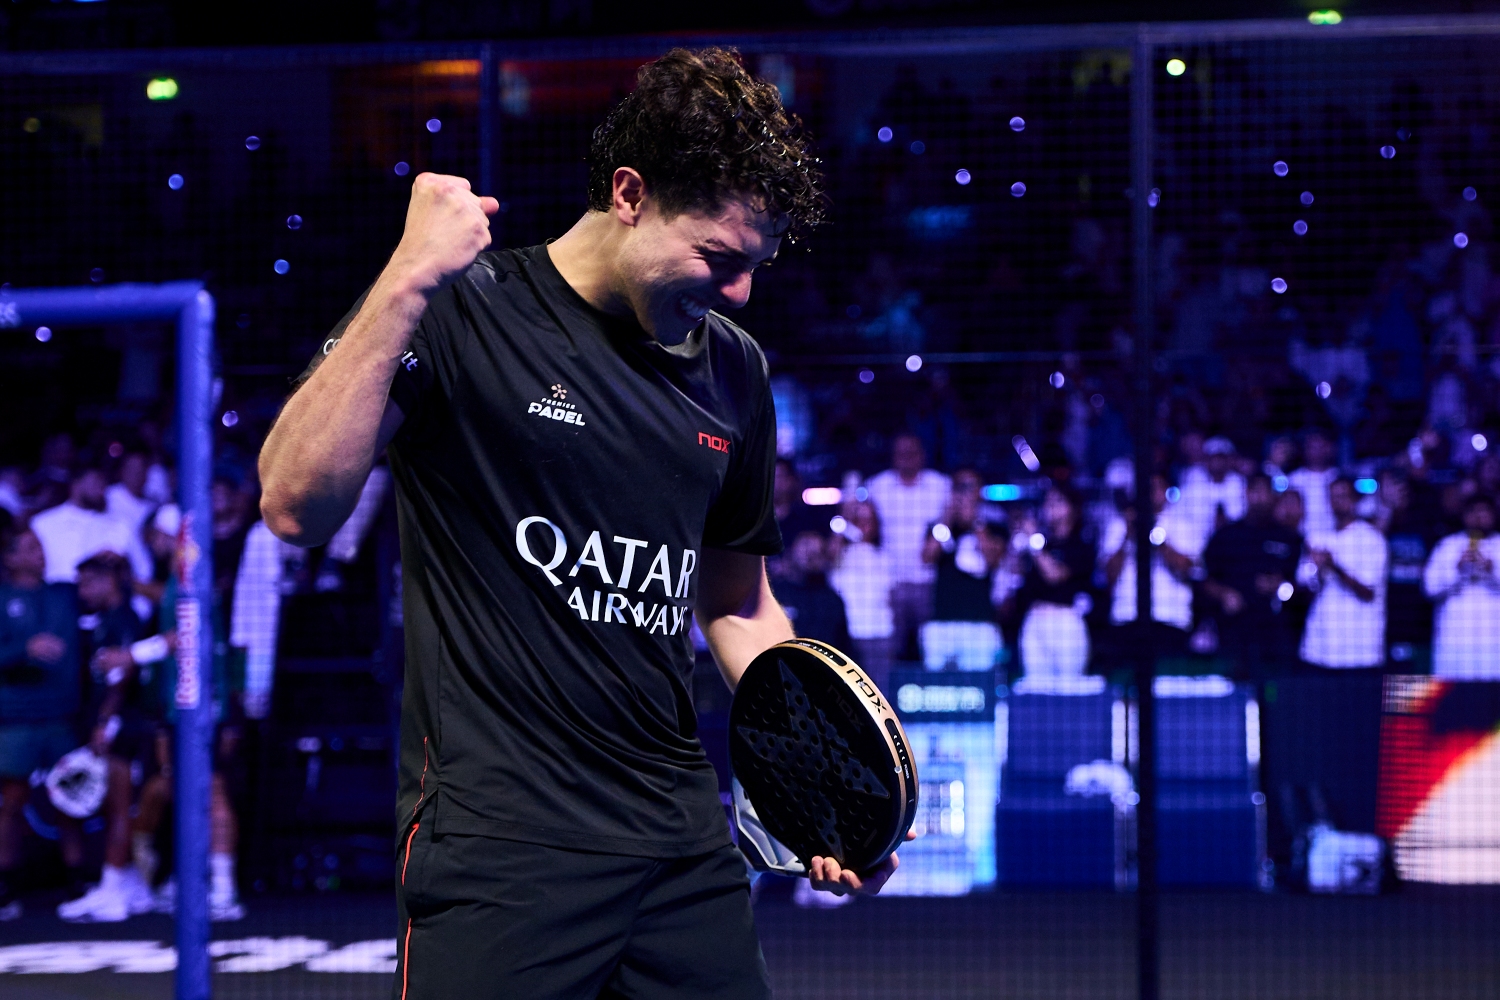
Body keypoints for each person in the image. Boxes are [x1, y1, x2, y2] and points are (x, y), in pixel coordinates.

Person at [258, 48, 902, 1000]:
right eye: (720, 259)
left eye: (755, 267)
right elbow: (293, 503)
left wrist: (820, 782)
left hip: (681, 846)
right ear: (630, 194)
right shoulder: (459, 309)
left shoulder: (735, 370)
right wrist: (404, 279)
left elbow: (736, 602)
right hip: (501, 843)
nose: (739, 293)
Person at [55, 553, 156, 923]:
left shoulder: (123, 619)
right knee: (113, 805)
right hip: (110, 724)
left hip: (123, 727)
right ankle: (131, 884)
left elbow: (123, 678)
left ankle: (113, 891)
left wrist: (105, 722)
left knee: (119, 808)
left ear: (109, 581)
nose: (82, 592)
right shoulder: (103, 621)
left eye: (87, 583)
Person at [0, 528, 82, 920]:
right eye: (29, 547)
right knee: (12, 800)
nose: (39, 553)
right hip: (16, 718)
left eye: (41, 546)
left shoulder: (64, 595)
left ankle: (78, 880)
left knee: (71, 797)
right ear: (10, 558)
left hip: (61, 717)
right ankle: (6, 884)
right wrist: (24, 650)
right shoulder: (2, 598)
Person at [1202, 474, 1303, 678]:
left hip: (1276, 630)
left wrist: (1281, 586)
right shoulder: (1227, 535)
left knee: (1276, 686)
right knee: (1235, 685)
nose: (1260, 498)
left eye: (1265, 492)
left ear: (1273, 496)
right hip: (1235, 629)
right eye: (1255, 491)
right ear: (1246, 494)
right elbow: (1204, 579)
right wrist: (1224, 594)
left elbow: (1300, 585)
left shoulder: (1289, 537)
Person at [866, 434, 951, 660]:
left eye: (911, 452)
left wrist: (938, 537)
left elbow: (951, 517)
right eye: (901, 453)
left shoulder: (940, 485)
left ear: (922, 455)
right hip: (891, 581)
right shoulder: (877, 486)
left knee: (930, 649)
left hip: (929, 579)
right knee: (893, 649)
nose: (906, 457)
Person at [1100, 474, 1198, 663]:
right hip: (1126, 617)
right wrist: (1127, 535)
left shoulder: (1182, 524)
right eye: (1146, 487)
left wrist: (1156, 536)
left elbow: (1187, 569)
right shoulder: (1118, 525)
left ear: (1166, 490)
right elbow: (1108, 577)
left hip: (1170, 618)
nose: (1151, 493)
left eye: (1156, 487)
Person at [919, 469, 1005, 673]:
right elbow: (927, 557)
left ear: (980, 492)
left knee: (981, 684)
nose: (964, 494)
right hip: (942, 623)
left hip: (980, 623)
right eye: (960, 488)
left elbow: (993, 559)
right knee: (935, 685)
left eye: (970, 487)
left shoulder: (995, 526)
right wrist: (946, 519)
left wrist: (975, 521)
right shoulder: (939, 526)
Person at [1299, 478, 1388, 671]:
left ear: (1355, 499)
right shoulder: (1317, 537)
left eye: (1343, 496)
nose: (1338, 501)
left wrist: (1334, 566)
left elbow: (1368, 592)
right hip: (1321, 647)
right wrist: (1317, 568)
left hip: (1360, 649)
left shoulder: (1371, 538)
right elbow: (1303, 588)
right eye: (1333, 497)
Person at [1016, 485, 1095, 678]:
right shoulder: (1043, 544)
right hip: (1034, 621)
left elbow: (1055, 575)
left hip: (1066, 623)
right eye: (1048, 502)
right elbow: (1015, 575)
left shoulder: (1080, 544)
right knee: (1035, 686)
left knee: (1069, 686)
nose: (1050, 506)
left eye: (1058, 501)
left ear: (1073, 509)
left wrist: (1034, 542)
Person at [1422, 495, 1500, 678]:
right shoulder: (1447, 545)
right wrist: (1457, 569)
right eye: (1473, 512)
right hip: (1455, 642)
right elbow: (1429, 588)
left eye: (1484, 512)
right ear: (1464, 516)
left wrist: (1492, 570)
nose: (1478, 517)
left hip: (1493, 642)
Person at [828, 500, 895, 692]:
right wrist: (844, 523)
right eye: (858, 519)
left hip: (879, 635)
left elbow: (891, 595)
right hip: (847, 635)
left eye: (868, 520)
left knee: (879, 692)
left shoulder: (884, 557)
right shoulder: (839, 554)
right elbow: (829, 554)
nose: (863, 525)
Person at [30, 467, 136, 584]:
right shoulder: (42, 523)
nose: (101, 489)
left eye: (104, 483)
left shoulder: (119, 525)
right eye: (96, 481)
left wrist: (121, 563)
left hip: (102, 593)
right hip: (53, 592)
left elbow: (141, 570)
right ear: (76, 484)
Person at [771, 529, 853, 658]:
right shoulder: (773, 595)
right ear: (791, 550)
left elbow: (844, 648)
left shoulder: (831, 601)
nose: (810, 555)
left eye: (816, 552)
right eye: (805, 547)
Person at [1176, 436, 1246, 554]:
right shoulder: (1193, 479)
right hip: (1196, 543)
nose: (1217, 462)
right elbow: (1183, 516)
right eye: (1213, 457)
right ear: (1206, 459)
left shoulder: (1238, 482)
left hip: (1232, 544)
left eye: (1221, 458)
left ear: (1229, 460)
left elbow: (1241, 517)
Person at [1288, 428, 1339, 539]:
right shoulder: (1294, 479)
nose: (1317, 451)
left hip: (1334, 537)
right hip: (1301, 538)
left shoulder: (1337, 477)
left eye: (1321, 447)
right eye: (1312, 447)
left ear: (1329, 448)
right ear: (1305, 450)